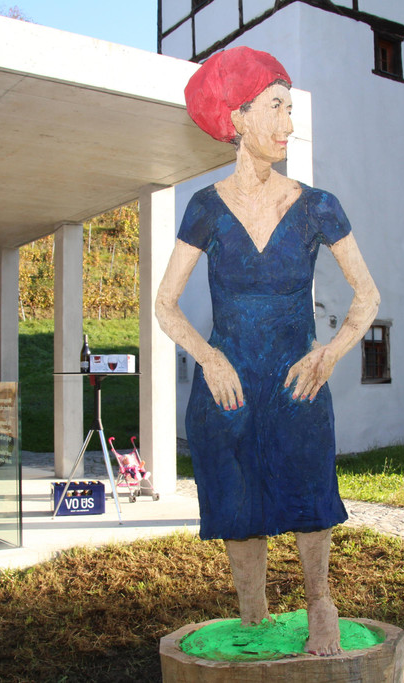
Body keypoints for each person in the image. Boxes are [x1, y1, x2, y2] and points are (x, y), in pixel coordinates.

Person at [155, 46, 380, 656]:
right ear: (239, 118)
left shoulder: (317, 206)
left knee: (310, 493)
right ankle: (251, 613)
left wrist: (330, 353)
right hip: (227, 384)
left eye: (290, 109)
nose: (288, 124)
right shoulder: (205, 208)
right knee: (237, 501)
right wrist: (208, 358)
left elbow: (367, 296)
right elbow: (165, 304)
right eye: (276, 108)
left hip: (297, 380)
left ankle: (320, 603)